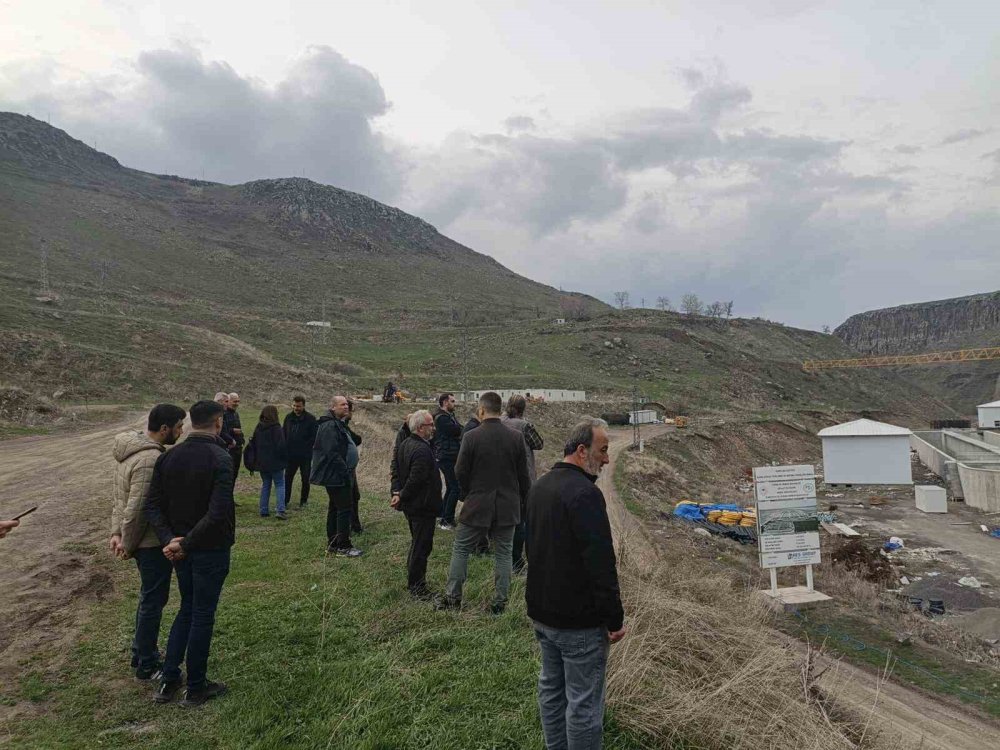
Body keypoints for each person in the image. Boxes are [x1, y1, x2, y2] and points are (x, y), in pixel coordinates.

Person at [526, 418, 625, 749]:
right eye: (603, 451)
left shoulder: (540, 486)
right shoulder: (586, 494)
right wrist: (614, 619)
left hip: (543, 615)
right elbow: (600, 564)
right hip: (579, 624)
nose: (607, 459)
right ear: (582, 451)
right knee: (584, 704)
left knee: (552, 693)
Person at [145, 399, 235, 707]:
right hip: (208, 549)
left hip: (180, 550)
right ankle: (195, 686)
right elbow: (218, 512)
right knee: (201, 614)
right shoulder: (220, 458)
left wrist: (172, 540)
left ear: (191, 422)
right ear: (218, 423)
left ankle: (169, 678)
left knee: (187, 608)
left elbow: (153, 506)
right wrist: (184, 543)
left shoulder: (168, 458)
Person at [109, 403, 186, 680]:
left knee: (148, 597)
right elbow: (138, 508)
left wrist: (116, 533)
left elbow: (120, 500)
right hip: (150, 543)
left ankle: (139, 651)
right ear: (164, 428)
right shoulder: (149, 460)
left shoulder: (131, 453)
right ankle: (147, 662)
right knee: (154, 600)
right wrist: (127, 544)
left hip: (138, 540)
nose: (180, 432)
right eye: (178, 426)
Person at [437, 392, 530, 615]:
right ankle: (499, 603)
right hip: (508, 506)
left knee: (461, 549)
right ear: (500, 409)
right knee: (504, 554)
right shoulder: (516, 437)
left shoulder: (471, 437)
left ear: (481, 409)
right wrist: (523, 501)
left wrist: (470, 493)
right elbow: (523, 476)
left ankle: (452, 598)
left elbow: (460, 471)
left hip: (477, 503)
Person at [391, 410, 441, 599]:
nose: (433, 428)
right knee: (421, 547)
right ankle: (417, 588)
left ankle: (414, 580)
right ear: (421, 428)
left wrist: (397, 493)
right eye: (430, 425)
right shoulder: (421, 450)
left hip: (413, 506)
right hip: (422, 506)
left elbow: (396, 470)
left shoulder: (405, 443)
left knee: (417, 544)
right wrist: (401, 495)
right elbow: (415, 480)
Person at [311, 396, 361, 557]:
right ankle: (343, 546)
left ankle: (333, 543)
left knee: (335, 508)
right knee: (344, 509)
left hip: (337, 474)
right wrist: (345, 470)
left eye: (347, 404)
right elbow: (331, 453)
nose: (346, 407)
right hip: (336, 475)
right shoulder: (329, 426)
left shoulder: (337, 423)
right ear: (333, 407)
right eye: (342, 405)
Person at [502, 394, 544, 573]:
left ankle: (505, 558)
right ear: (523, 408)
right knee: (522, 522)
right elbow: (539, 444)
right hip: (523, 478)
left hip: (503, 477)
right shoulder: (524, 426)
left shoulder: (499, 423)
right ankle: (517, 563)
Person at [432, 393, 463, 531]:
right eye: (452, 401)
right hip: (446, 456)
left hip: (449, 455)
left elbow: (459, 428)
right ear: (445, 402)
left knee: (451, 487)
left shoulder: (448, 416)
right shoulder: (441, 418)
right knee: (456, 488)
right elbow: (457, 430)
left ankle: (443, 515)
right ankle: (447, 520)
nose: (454, 403)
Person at [251, 405, 288, 519]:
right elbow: (281, 446)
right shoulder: (276, 428)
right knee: (280, 484)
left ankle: (263, 510)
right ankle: (280, 510)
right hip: (276, 462)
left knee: (266, 485)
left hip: (262, 463)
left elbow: (254, 444)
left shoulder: (259, 427)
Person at [283, 395, 317, 509]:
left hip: (305, 455)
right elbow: (284, 433)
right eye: (294, 405)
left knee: (305, 478)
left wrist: (306, 447)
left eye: (298, 406)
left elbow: (314, 437)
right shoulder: (288, 417)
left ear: (303, 406)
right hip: (290, 455)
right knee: (287, 478)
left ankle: (303, 501)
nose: (296, 408)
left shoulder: (311, 419)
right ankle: (285, 500)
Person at [344, 399, 364, 534]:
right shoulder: (340, 426)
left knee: (354, 496)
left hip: (349, 468)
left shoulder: (344, 425)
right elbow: (355, 439)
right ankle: (352, 526)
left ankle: (355, 525)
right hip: (345, 469)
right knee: (349, 497)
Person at [225, 392, 245, 488]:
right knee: (228, 474)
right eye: (234, 401)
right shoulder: (224, 414)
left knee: (235, 474)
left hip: (238, 448)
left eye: (238, 401)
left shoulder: (236, 414)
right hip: (228, 448)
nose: (236, 403)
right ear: (228, 401)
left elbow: (239, 428)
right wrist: (232, 430)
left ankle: (231, 499)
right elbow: (221, 431)